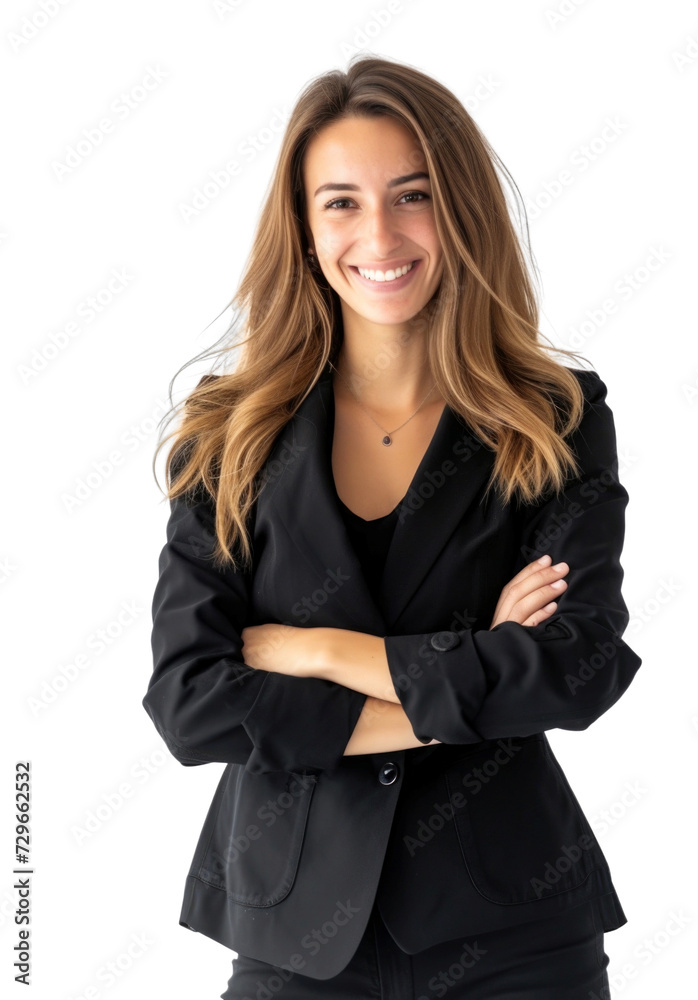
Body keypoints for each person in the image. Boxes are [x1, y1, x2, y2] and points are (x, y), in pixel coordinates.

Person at [144, 54, 641, 999]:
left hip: (517, 934)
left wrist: (317, 649)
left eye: (413, 195)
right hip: (295, 939)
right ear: (303, 227)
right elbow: (192, 702)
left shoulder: (553, 416)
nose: (379, 233)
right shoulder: (228, 431)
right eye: (341, 202)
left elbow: (576, 670)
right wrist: (474, 676)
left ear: (461, 209)